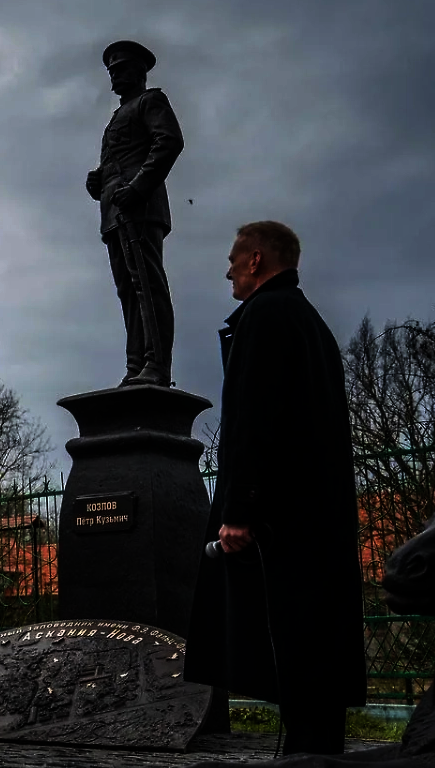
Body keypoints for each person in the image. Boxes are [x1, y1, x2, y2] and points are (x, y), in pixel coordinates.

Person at [184, 221, 366, 754]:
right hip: (315, 513)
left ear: (257, 260)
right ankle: (316, 748)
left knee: (287, 639)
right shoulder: (310, 321)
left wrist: (240, 510)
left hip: (278, 519)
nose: (228, 271)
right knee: (315, 642)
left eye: (234, 260)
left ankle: (306, 754)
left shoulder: (263, 317)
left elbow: (252, 420)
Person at [86, 39, 184, 387]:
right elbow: (117, 161)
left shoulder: (150, 101)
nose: (114, 75)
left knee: (147, 286)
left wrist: (138, 188)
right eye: (111, 70)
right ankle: (136, 367)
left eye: (121, 68)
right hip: (114, 214)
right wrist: (98, 181)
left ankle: (156, 366)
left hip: (139, 209)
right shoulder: (115, 118)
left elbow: (169, 142)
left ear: (139, 71)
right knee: (128, 292)